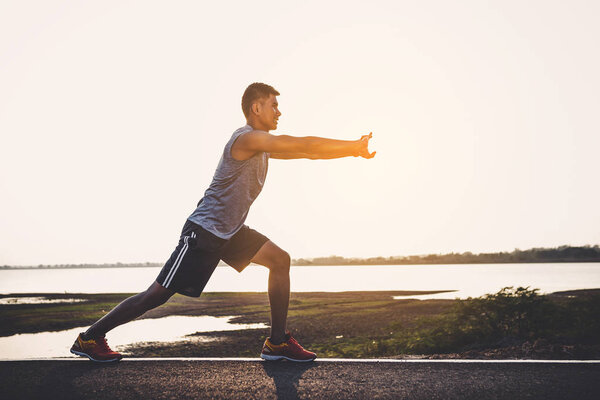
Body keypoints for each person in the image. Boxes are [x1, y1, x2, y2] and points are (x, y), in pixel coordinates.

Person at [70, 82, 375, 362]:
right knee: (157, 295)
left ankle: (277, 343)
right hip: (204, 232)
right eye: (273, 105)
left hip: (229, 232)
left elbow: (308, 152)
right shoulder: (247, 138)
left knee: (279, 260)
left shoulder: (262, 146)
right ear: (256, 108)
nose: (279, 111)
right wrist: (352, 145)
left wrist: (351, 151)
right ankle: (90, 338)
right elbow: (301, 143)